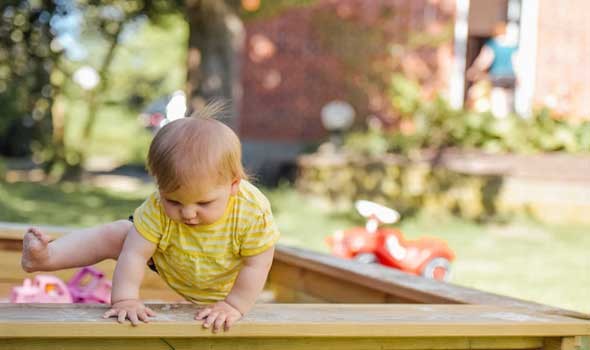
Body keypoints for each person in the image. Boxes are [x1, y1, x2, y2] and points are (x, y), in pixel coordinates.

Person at [20, 102, 280, 332]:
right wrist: (125, 299)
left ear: (233, 185)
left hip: (226, 278)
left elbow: (256, 264)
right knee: (120, 234)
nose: (188, 213)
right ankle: (46, 256)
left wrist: (233, 305)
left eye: (204, 202)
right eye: (173, 201)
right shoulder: (156, 207)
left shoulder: (251, 211)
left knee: (245, 274)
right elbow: (134, 254)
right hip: (174, 258)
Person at [467, 21, 519, 118]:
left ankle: (499, 120)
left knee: (498, 100)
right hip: (510, 76)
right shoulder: (512, 46)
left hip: (497, 75)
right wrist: (518, 76)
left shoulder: (493, 45)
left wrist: (474, 69)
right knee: (508, 100)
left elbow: (484, 60)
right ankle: (507, 119)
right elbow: (516, 62)